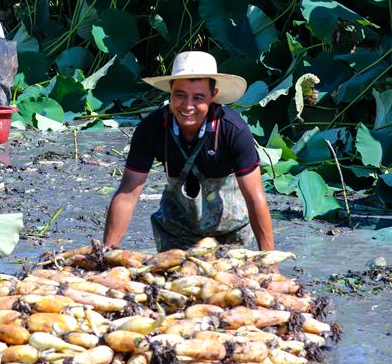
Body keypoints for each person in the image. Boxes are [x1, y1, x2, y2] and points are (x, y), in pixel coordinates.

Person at [103, 51, 275, 252]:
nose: (187, 106)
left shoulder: (233, 130)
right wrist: (106, 252)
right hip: (176, 232)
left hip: (229, 232)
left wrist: (269, 261)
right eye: (180, 95)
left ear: (213, 95)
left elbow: (255, 198)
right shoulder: (151, 129)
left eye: (198, 98)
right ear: (170, 91)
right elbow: (126, 195)